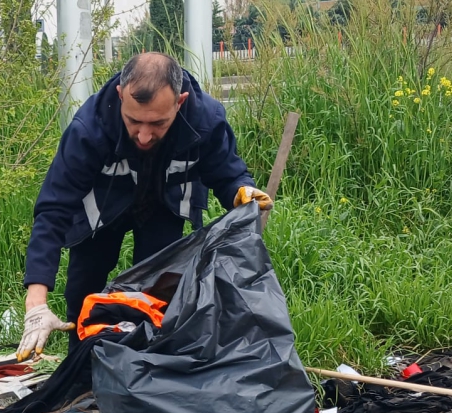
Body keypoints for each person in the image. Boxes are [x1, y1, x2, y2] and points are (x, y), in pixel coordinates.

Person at [14, 52, 273, 361]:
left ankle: (147, 366)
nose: (145, 135)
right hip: (102, 211)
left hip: (163, 206)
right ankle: (80, 365)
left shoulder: (206, 120)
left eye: (158, 123)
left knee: (157, 293)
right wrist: (36, 302)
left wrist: (241, 191)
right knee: (83, 290)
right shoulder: (88, 129)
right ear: (120, 95)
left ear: (180, 102)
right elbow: (54, 209)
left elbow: (227, 173)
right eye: (134, 121)